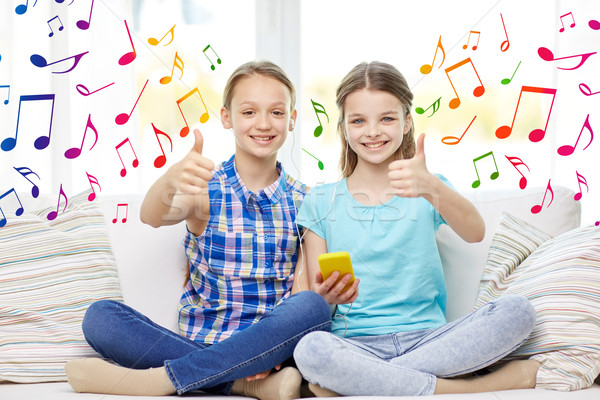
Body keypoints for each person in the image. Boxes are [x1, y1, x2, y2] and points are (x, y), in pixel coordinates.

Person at [64, 61, 331, 398]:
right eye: (249, 112)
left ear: (292, 120)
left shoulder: (304, 200)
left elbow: (303, 290)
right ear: (226, 117)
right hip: (199, 342)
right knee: (100, 317)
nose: (263, 123)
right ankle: (240, 384)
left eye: (276, 113)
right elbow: (152, 216)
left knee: (312, 308)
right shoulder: (207, 189)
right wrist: (169, 180)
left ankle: (163, 379)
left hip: (269, 348)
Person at [292, 61, 540, 396]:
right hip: (356, 345)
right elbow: (309, 302)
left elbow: (475, 231)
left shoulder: (428, 187)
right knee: (311, 350)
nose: (373, 131)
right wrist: (326, 299)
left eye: (387, 118)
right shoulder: (321, 201)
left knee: (518, 311)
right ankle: (456, 388)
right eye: (359, 120)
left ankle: (370, 382)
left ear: (407, 122)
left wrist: (431, 188)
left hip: (431, 339)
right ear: (344, 128)